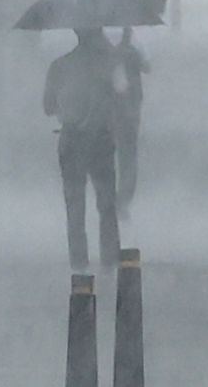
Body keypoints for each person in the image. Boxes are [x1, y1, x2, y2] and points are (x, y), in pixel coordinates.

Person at [43, 27, 120, 272]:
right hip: (100, 140)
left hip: (71, 139)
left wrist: (69, 108)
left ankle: (79, 262)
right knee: (106, 203)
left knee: (74, 205)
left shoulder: (59, 66)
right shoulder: (106, 67)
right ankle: (110, 259)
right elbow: (118, 100)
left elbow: (47, 107)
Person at [113, 28, 150, 218]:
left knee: (119, 156)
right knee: (128, 157)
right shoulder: (132, 53)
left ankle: (118, 200)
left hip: (116, 112)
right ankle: (123, 200)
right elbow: (148, 68)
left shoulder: (113, 53)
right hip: (130, 112)